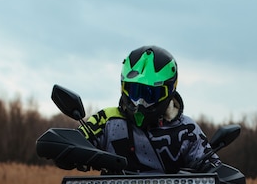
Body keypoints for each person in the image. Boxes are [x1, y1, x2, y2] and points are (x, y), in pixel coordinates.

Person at [79, 45, 222, 175]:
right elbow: (75, 141)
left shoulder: (187, 129)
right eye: (135, 91)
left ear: (169, 91)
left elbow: (215, 168)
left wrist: (213, 171)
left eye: (151, 94)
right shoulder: (106, 120)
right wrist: (70, 150)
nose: (140, 103)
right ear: (123, 87)